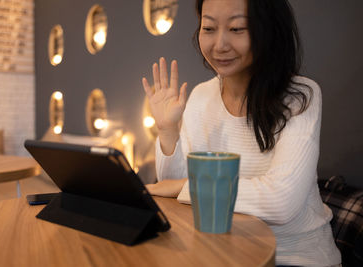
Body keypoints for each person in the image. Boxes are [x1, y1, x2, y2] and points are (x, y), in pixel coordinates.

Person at [141, 0, 342, 266]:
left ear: (267, 30)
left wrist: (184, 187)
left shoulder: (300, 96)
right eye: (209, 28)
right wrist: (167, 132)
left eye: (237, 29)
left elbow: (281, 203)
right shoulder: (201, 96)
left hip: (295, 258)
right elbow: (174, 193)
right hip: (223, 253)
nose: (220, 44)